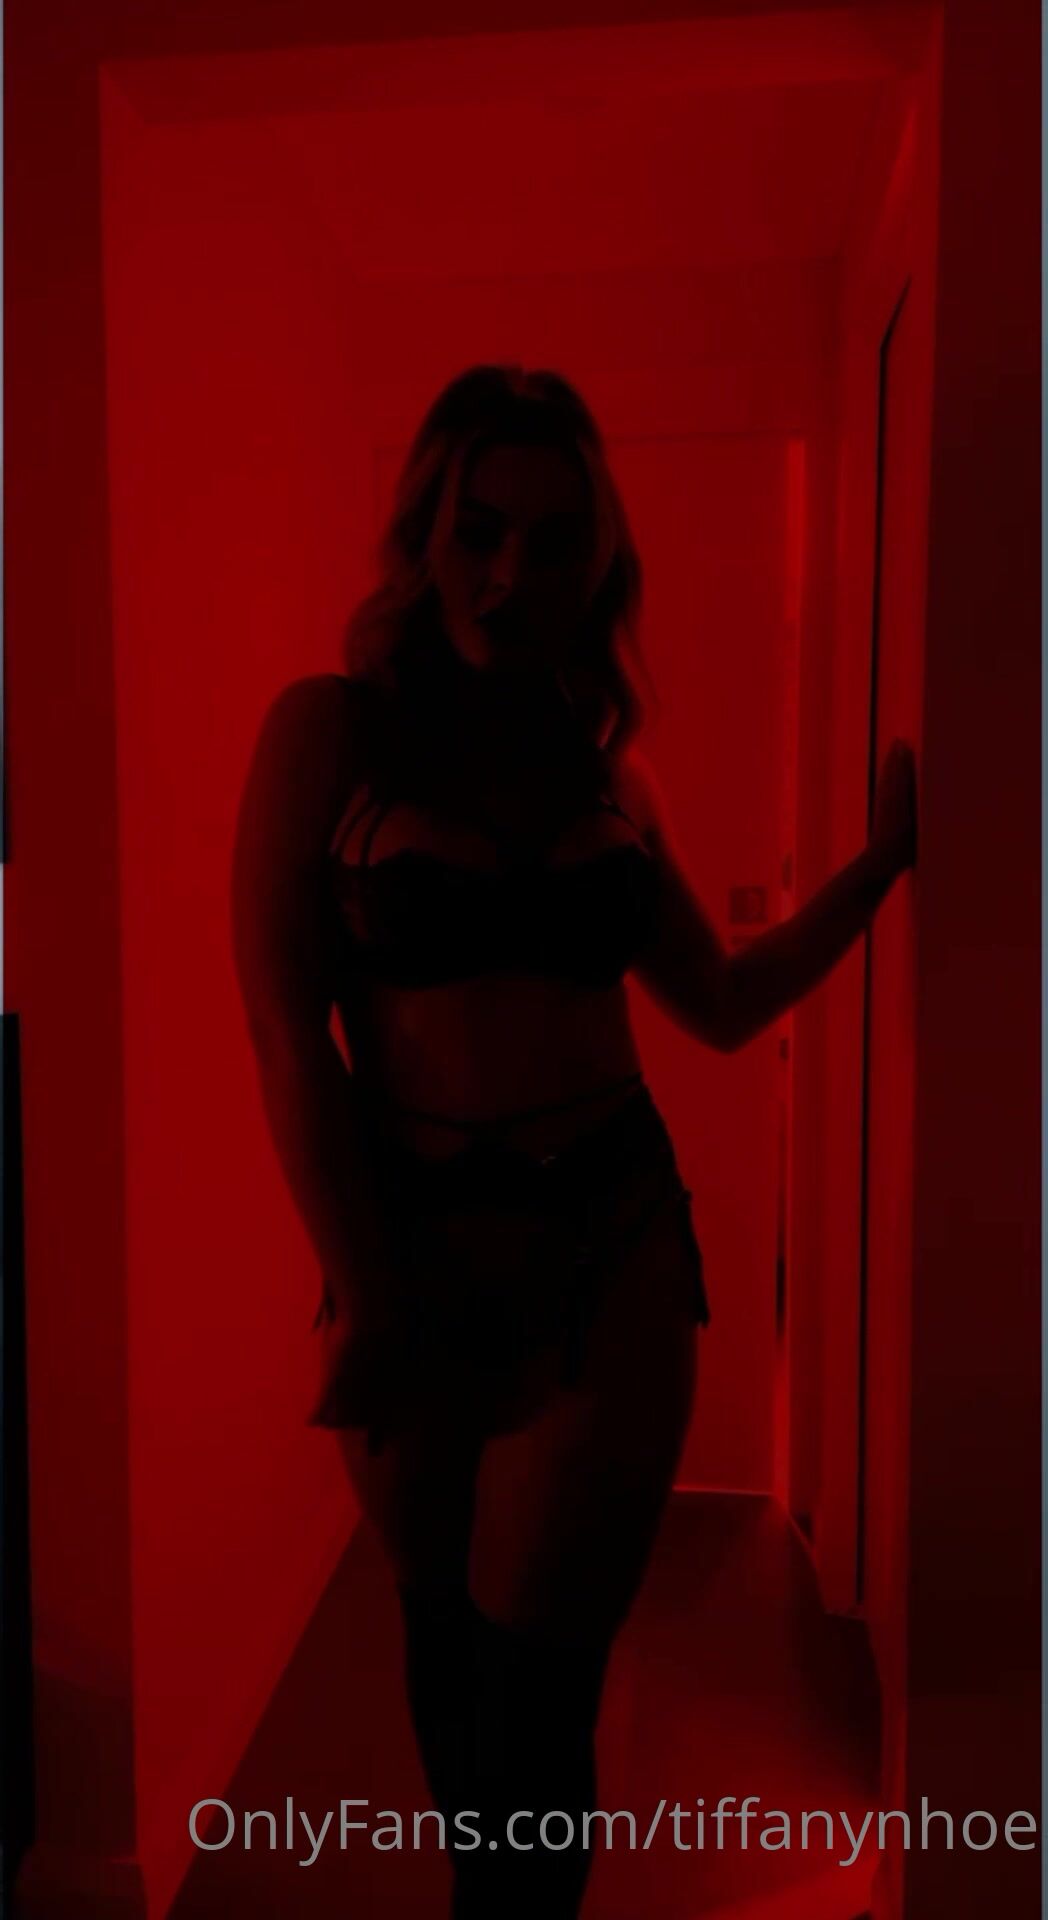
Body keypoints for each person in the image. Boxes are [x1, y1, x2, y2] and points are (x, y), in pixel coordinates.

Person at [230, 364, 917, 1917]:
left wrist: (875, 874)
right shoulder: (328, 734)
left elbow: (720, 1003)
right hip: (405, 1247)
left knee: (538, 1695)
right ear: (426, 535)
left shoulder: (608, 775)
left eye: (551, 542)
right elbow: (285, 1030)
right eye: (479, 529)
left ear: (594, 568)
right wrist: (364, 1287)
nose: (508, 572)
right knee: (443, 1650)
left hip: (608, 1241)